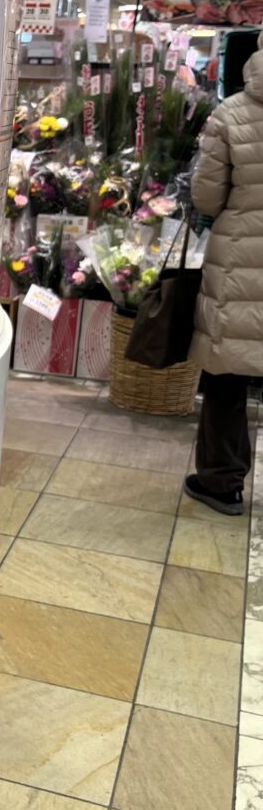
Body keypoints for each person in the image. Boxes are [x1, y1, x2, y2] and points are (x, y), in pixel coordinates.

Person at [185, 30, 263, 515]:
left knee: (226, 374)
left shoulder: (231, 114)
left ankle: (222, 482)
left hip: (239, 261)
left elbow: (207, 198)